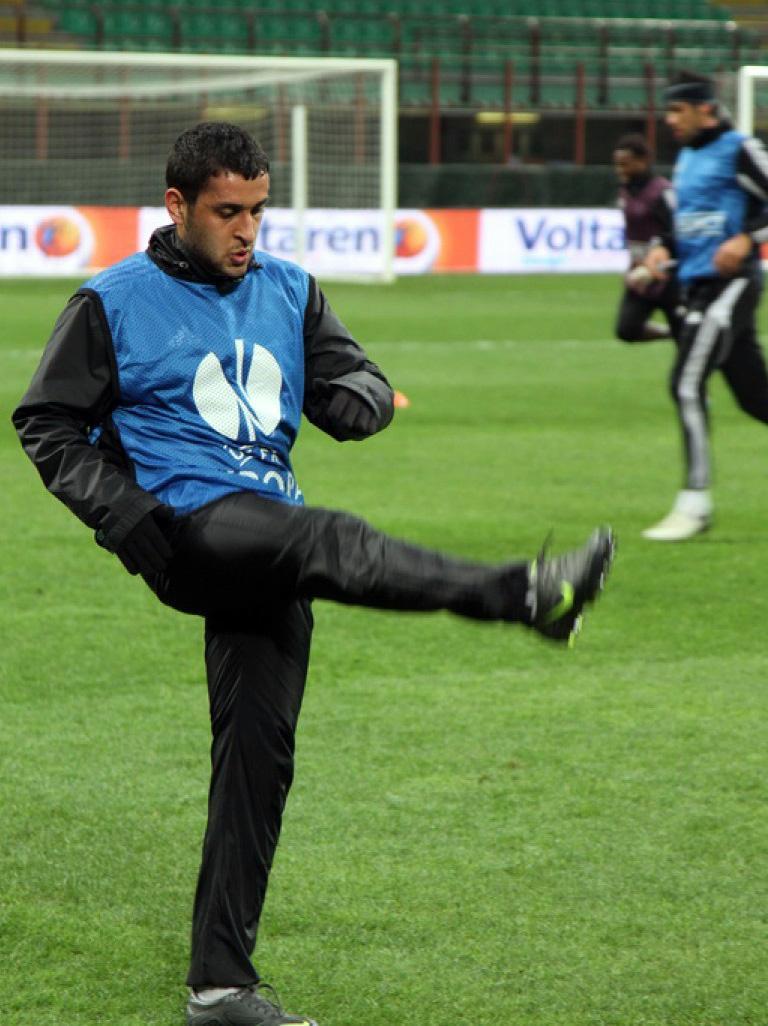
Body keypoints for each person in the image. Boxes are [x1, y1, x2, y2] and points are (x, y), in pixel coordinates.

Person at [12, 122, 615, 1026]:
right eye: (227, 212)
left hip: (270, 536)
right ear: (177, 206)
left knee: (258, 766)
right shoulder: (111, 301)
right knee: (329, 539)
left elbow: (358, 379)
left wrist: (358, 400)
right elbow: (47, 422)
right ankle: (521, 594)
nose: (247, 230)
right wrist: (124, 515)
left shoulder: (290, 289)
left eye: (258, 210)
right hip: (190, 527)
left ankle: (219, 987)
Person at [642, 71, 768, 541]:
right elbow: (684, 223)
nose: (670, 119)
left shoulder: (740, 148)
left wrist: (747, 238)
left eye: (678, 110)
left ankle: (694, 505)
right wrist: (661, 247)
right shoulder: (687, 157)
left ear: (706, 110)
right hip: (695, 286)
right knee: (756, 398)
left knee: (686, 383)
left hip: (731, 284)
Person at [612, 133, 681, 344]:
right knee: (627, 329)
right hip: (640, 274)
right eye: (617, 165)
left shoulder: (662, 192)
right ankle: (669, 333)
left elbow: (677, 228)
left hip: (668, 276)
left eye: (625, 164)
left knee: (686, 339)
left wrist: (663, 253)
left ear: (643, 161)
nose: (620, 170)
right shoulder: (625, 191)